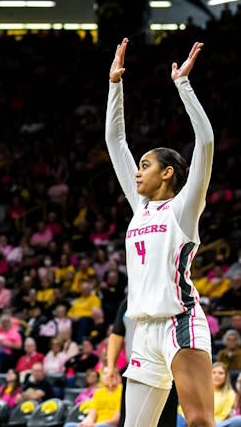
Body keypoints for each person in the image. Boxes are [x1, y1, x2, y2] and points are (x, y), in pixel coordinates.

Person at [106, 38, 215, 426]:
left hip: (178, 322)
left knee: (200, 421)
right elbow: (115, 142)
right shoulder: (141, 207)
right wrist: (114, 86)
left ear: (167, 172)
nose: (137, 170)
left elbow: (205, 142)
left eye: (146, 164)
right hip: (142, 330)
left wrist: (183, 85)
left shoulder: (184, 208)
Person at [105, 298, 178, 427]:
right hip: (134, 369)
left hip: (166, 370)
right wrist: (111, 366)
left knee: (164, 421)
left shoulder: (169, 297)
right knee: (128, 421)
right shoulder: (128, 302)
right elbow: (117, 334)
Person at [176, 363, 236, 427]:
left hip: (215, 421)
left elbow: (224, 415)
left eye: (220, 373)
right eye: (213, 372)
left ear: (226, 376)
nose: (217, 375)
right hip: (191, 418)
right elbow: (183, 408)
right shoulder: (199, 389)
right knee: (179, 417)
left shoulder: (230, 393)